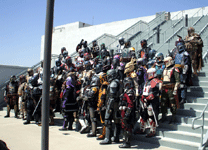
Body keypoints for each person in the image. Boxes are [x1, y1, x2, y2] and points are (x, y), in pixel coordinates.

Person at [137, 68, 162, 137]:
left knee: (151, 116)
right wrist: (143, 97)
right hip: (145, 101)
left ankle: (152, 131)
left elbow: (158, 92)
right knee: (143, 115)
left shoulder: (156, 81)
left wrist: (151, 96)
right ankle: (142, 129)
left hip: (152, 102)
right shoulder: (147, 81)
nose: (147, 75)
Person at [100, 69, 121, 144]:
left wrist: (108, 106)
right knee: (116, 121)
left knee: (107, 120)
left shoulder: (114, 83)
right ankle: (115, 137)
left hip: (113, 104)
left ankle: (107, 138)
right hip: (117, 104)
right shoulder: (117, 81)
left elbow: (112, 97)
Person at [160, 56, 180, 124]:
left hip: (171, 88)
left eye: (166, 62)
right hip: (164, 88)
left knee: (172, 103)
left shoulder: (174, 69)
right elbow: (161, 79)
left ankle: (173, 116)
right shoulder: (164, 69)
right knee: (163, 102)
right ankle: (163, 116)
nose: (165, 63)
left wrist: (175, 89)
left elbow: (177, 81)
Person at [119, 77, 135, 148]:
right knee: (125, 126)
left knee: (127, 126)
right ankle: (126, 141)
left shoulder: (130, 92)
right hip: (124, 111)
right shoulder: (127, 91)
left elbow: (130, 104)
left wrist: (127, 114)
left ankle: (127, 143)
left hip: (128, 112)